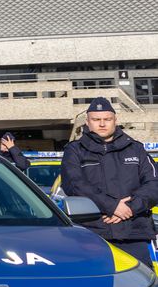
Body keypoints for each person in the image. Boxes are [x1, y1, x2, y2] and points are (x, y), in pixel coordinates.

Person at [61, 98, 158, 264]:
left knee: (140, 279)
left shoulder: (136, 148)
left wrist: (130, 208)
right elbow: (74, 184)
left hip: (133, 232)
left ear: (115, 120)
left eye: (107, 119)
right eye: (96, 119)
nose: (102, 124)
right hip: (93, 234)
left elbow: (154, 184)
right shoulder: (75, 150)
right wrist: (112, 206)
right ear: (87, 122)